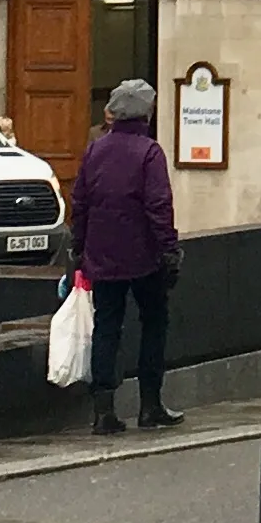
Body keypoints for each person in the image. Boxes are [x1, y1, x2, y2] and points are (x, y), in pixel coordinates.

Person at [67, 80, 182, 433]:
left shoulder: (95, 150)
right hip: (144, 256)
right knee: (154, 325)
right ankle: (150, 406)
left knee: (107, 327)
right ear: (147, 112)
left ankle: (104, 411)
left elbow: (81, 202)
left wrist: (79, 246)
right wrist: (169, 249)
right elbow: (158, 206)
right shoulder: (149, 152)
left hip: (101, 254)